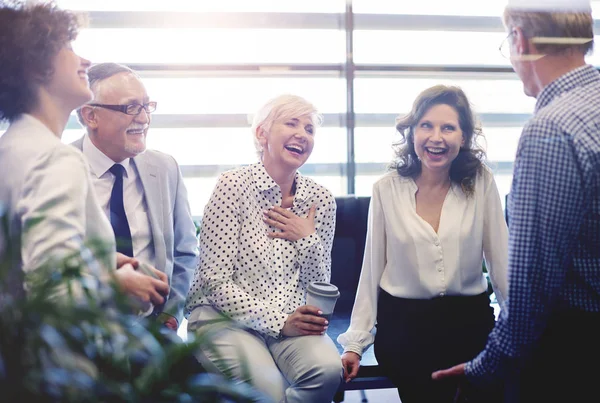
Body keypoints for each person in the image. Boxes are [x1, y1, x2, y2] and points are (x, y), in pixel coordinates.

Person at [432, 1, 600, 402]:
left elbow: (533, 282)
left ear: (520, 39)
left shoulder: (552, 129)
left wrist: (485, 369)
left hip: (571, 347)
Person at [338, 85, 508, 403]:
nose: (436, 138)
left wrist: (519, 329)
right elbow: (371, 269)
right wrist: (355, 342)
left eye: (448, 128)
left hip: (469, 321)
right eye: (426, 125)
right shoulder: (386, 189)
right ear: (412, 131)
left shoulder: (481, 180)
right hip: (406, 327)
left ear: (464, 136)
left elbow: (501, 261)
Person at [0, 2, 168, 309]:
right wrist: (117, 283)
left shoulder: (11, 147)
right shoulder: (55, 159)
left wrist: (98, 258)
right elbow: (51, 289)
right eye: (68, 47)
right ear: (38, 67)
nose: (85, 60)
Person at [185, 94, 342, 402]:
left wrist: (306, 238)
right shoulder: (233, 186)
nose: (302, 134)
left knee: (327, 371)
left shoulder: (321, 199)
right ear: (262, 134)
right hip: (223, 318)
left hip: (291, 318)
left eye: (309, 129)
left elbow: (319, 286)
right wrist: (279, 322)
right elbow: (212, 282)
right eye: (291, 123)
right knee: (269, 391)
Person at [74, 62, 198, 330]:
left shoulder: (164, 168)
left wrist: (171, 315)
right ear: (90, 116)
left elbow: (185, 253)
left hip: (154, 326)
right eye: (130, 107)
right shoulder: (59, 168)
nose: (143, 118)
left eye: (146, 106)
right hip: (84, 326)